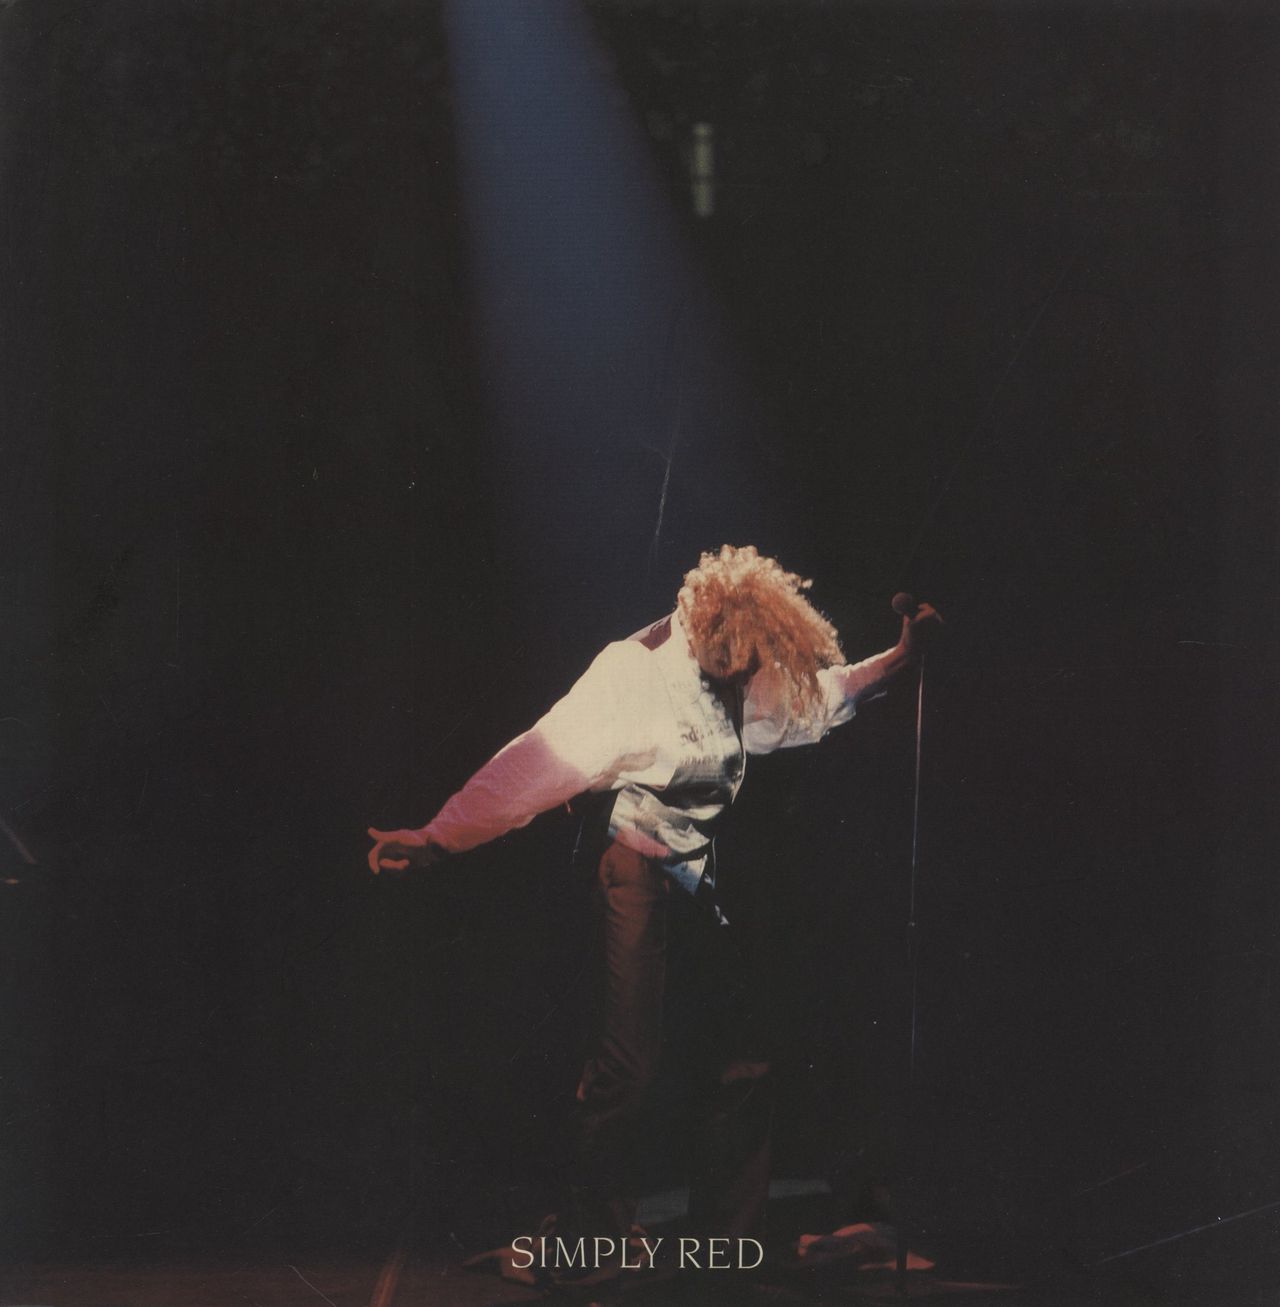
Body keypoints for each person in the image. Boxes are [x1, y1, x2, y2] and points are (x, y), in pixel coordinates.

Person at [368, 544, 939, 1281]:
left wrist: (898, 660)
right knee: (630, 1063)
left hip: (695, 871)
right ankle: (590, 1240)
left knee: (745, 1057)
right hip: (632, 867)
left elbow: (812, 701)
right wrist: (438, 836)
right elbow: (532, 763)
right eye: (726, 669)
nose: (740, 683)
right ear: (699, 635)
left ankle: (728, 1246)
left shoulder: (744, 663)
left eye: (747, 671)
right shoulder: (630, 677)